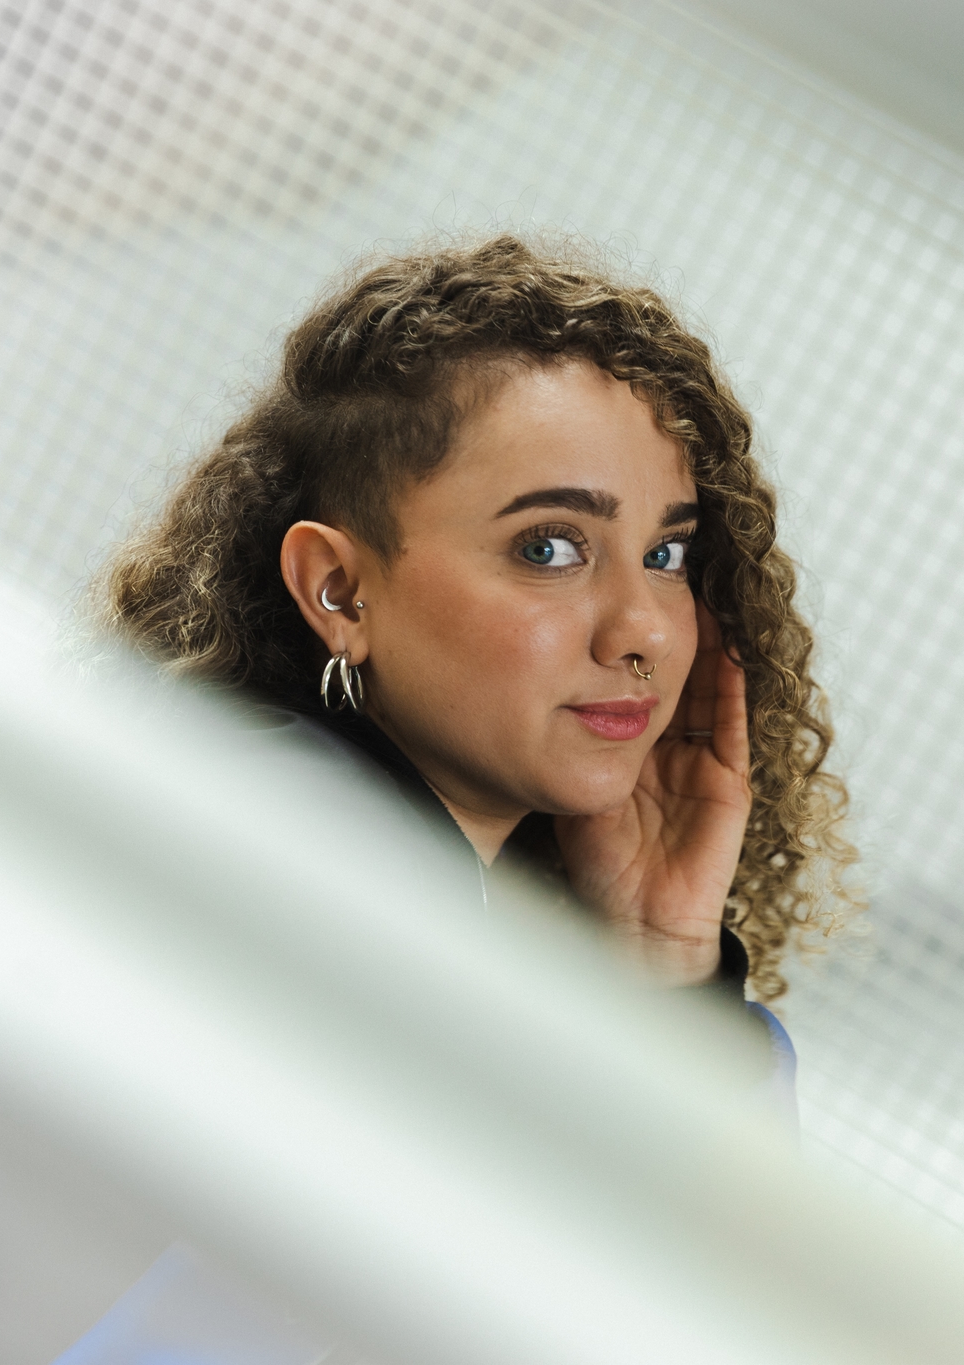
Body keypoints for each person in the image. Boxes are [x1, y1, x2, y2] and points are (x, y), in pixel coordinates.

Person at [100, 234, 857, 1103]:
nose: (643, 628)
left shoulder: (405, 887)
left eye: (668, 554)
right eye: (549, 546)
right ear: (340, 590)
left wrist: (662, 958)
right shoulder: (278, 859)